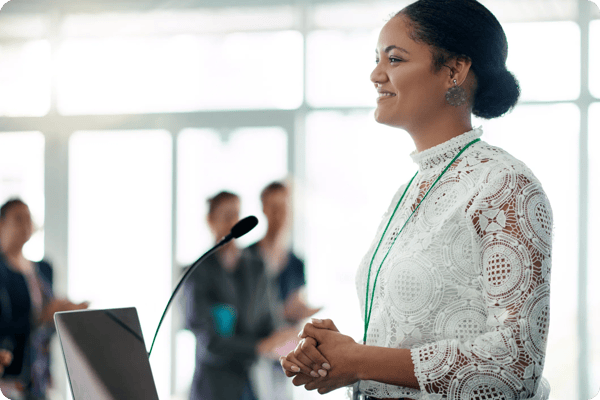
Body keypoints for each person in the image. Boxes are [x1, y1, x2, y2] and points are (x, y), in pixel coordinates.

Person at [280, 1, 553, 399]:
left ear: (454, 71)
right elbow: (413, 341)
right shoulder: (410, 190)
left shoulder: (503, 182)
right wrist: (340, 356)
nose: (376, 74)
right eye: (377, 59)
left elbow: (516, 366)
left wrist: (360, 360)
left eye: (394, 58)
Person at [184, 191, 299, 400]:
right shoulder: (199, 271)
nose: (233, 221)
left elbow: (270, 322)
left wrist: (283, 338)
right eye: (226, 215)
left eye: (236, 214)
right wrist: (259, 346)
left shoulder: (256, 267)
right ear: (210, 221)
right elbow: (209, 340)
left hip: (250, 384)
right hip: (212, 387)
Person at [0, 198, 88, 400]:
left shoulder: (43, 269)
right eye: (18, 218)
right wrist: (39, 318)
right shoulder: (2, 271)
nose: (25, 224)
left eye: (28, 218)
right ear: (1, 223)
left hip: (40, 373)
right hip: (10, 376)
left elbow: (50, 312)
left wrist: (66, 310)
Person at [246, 182, 320, 400]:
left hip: (283, 354)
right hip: (254, 350)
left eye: (284, 207)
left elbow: (295, 304)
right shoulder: (248, 257)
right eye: (273, 207)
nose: (279, 214)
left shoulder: (296, 262)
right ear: (263, 208)